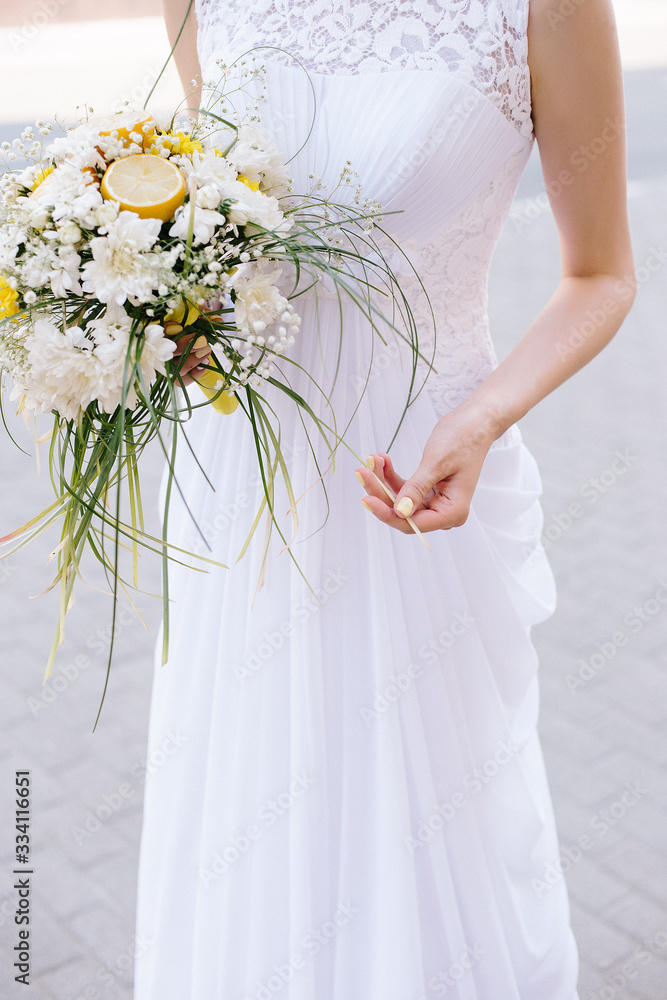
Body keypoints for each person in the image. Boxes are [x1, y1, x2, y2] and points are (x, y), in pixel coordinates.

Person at [134, 1, 634, 997]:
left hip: (412, 484)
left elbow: (602, 274)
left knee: (423, 823)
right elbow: (223, 241)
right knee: (245, 817)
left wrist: (485, 417)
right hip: (241, 483)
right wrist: (173, 324)